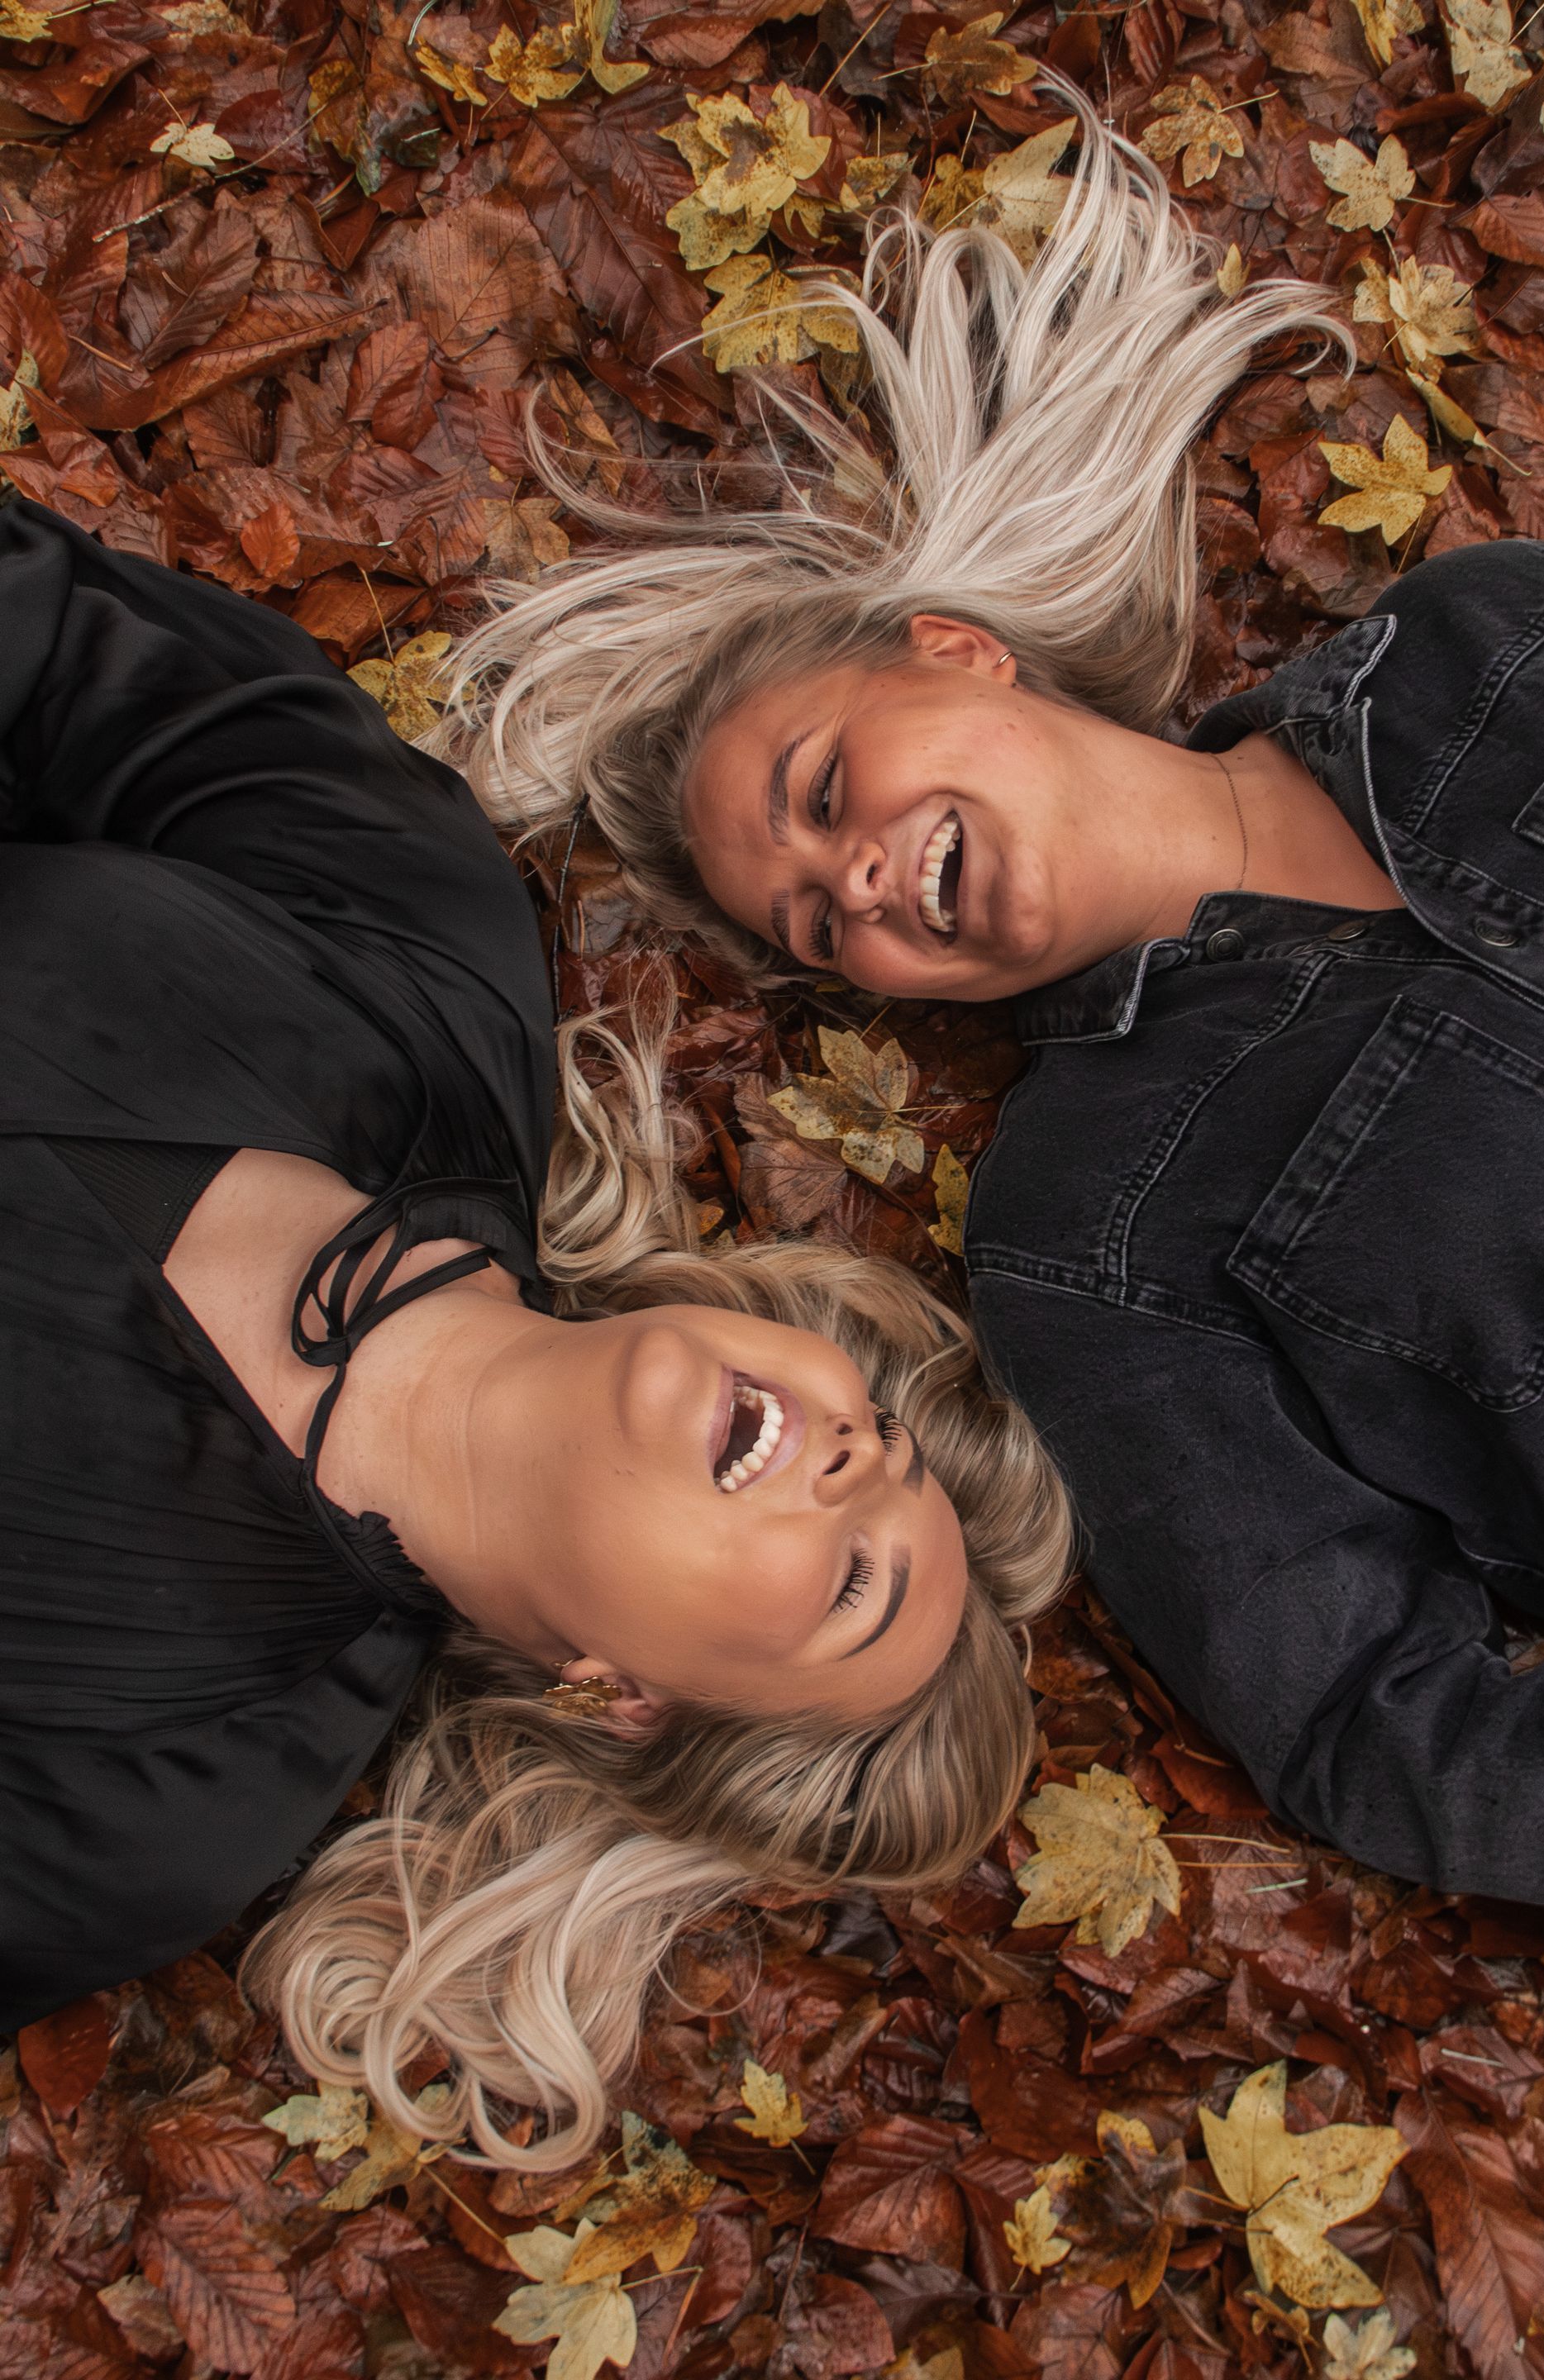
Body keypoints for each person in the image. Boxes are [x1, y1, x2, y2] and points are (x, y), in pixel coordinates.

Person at [454, 89, 1544, 1908]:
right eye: (818, 924)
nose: (859, 881)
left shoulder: (1493, 643)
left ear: (958, 655)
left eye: (827, 792)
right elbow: (1363, 1714)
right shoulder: (1088, 1234)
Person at [0, 497, 1071, 2168]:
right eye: (888, 1443)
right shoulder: (432, 953)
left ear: (626, 1701)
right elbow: (57, 637)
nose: (851, 1458)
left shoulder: (164, 1794)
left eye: (853, 1580)